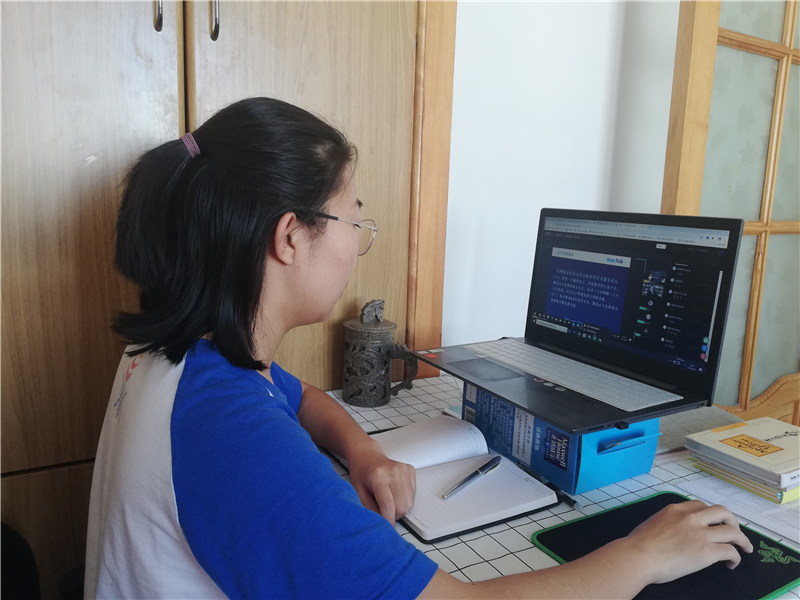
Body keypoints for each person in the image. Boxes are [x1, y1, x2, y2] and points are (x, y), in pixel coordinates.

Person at [84, 97, 752, 599]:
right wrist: (643, 555)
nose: (357, 243)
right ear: (289, 238)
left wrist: (365, 451)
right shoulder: (236, 436)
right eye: (354, 220)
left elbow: (304, 397)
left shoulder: (182, 354)